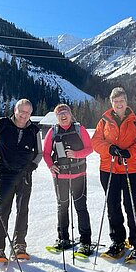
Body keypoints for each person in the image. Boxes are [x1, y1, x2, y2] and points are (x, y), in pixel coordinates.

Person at [91, 86, 136, 262]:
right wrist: (110, 149)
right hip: (108, 169)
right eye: (115, 101)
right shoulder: (104, 120)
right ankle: (118, 240)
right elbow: (95, 142)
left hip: (131, 170)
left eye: (121, 101)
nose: (119, 104)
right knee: (113, 206)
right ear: (111, 102)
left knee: (132, 207)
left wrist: (129, 152)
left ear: (126, 102)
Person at [0, 99, 42, 262]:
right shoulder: (2, 124)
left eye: (27, 112)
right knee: (4, 209)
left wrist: (32, 166)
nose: (24, 115)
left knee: (22, 209)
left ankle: (20, 244)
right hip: (6, 174)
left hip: (24, 175)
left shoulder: (34, 130)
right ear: (15, 109)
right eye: (21, 111)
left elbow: (39, 153)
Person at [42, 104, 93, 256]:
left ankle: (85, 242)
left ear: (71, 115)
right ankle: (63, 238)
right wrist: (51, 166)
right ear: (56, 117)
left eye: (65, 113)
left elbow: (90, 148)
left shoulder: (79, 129)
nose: (63, 116)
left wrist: (76, 154)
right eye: (59, 114)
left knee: (80, 207)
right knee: (62, 207)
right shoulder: (53, 131)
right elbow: (45, 153)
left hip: (78, 175)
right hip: (60, 176)